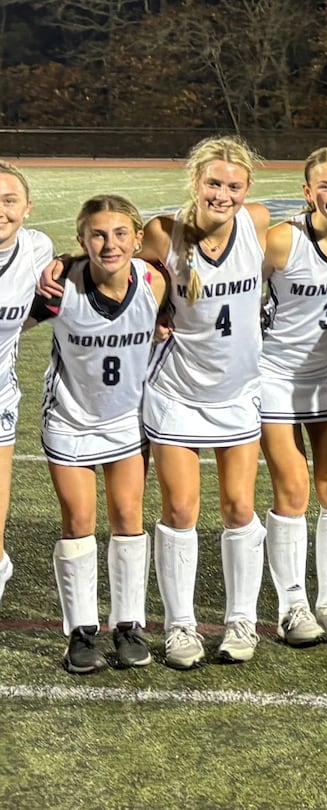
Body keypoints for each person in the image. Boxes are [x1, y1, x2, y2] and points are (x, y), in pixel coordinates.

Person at [142, 135, 270, 669]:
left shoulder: (258, 222)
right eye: (214, 183)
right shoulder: (162, 232)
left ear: (247, 190)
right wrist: (153, 313)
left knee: (240, 508)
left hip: (237, 392)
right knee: (179, 510)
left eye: (233, 185)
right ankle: (180, 627)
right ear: (195, 181)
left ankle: (242, 619)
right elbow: (128, 276)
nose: (223, 194)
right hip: (177, 391)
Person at [39, 195, 166, 673]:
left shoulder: (155, 282)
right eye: (97, 234)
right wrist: (61, 263)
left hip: (127, 420)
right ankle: (81, 630)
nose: (109, 243)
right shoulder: (61, 286)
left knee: (129, 517)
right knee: (78, 520)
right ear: (81, 240)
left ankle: (129, 624)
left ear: (136, 239)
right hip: (70, 419)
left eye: (119, 234)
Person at [259, 147, 327, 647]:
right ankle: (293, 604)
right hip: (274, 373)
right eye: (324, 185)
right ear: (307, 193)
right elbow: (228, 277)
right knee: (293, 489)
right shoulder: (282, 241)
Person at [0, 161, 53, 610]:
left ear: (27, 208)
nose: (1, 209)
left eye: (9, 200)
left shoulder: (37, 249)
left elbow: (50, 304)